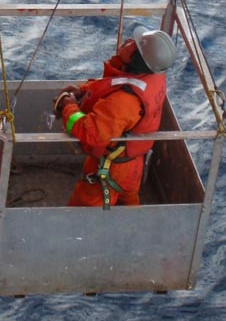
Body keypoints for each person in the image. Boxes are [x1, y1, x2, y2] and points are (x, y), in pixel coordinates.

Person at [53, 26, 176, 209]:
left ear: (138, 58)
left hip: (112, 169)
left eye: (135, 44)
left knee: (83, 212)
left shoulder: (124, 102)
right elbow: (115, 84)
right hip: (133, 163)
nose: (129, 41)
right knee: (129, 205)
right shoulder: (152, 76)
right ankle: (131, 232)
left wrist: (68, 107)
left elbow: (91, 134)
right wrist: (83, 91)